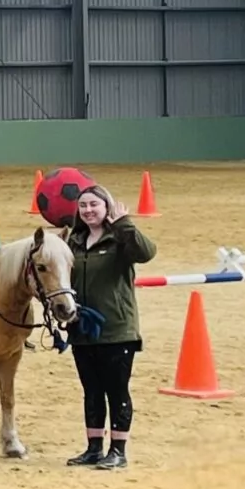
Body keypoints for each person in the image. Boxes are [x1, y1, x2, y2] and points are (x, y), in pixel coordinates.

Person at [64, 184, 153, 471]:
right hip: (82, 329)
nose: (88, 210)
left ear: (107, 207)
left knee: (116, 390)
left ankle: (118, 450)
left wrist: (124, 225)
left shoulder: (120, 240)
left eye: (94, 205)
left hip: (117, 329)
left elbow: (146, 252)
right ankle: (93, 448)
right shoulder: (73, 242)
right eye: (83, 206)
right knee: (91, 390)